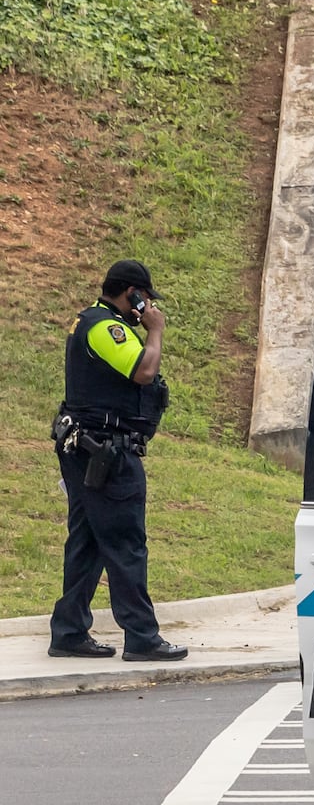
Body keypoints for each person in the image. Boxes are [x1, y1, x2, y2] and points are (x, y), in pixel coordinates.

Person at [48, 260, 186, 661]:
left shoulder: (89, 321)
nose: (146, 309)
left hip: (87, 449)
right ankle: (142, 637)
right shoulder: (106, 326)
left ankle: (69, 632)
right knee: (126, 543)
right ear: (132, 293)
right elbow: (144, 370)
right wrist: (155, 331)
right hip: (106, 453)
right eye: (144, 299)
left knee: (88, 542)